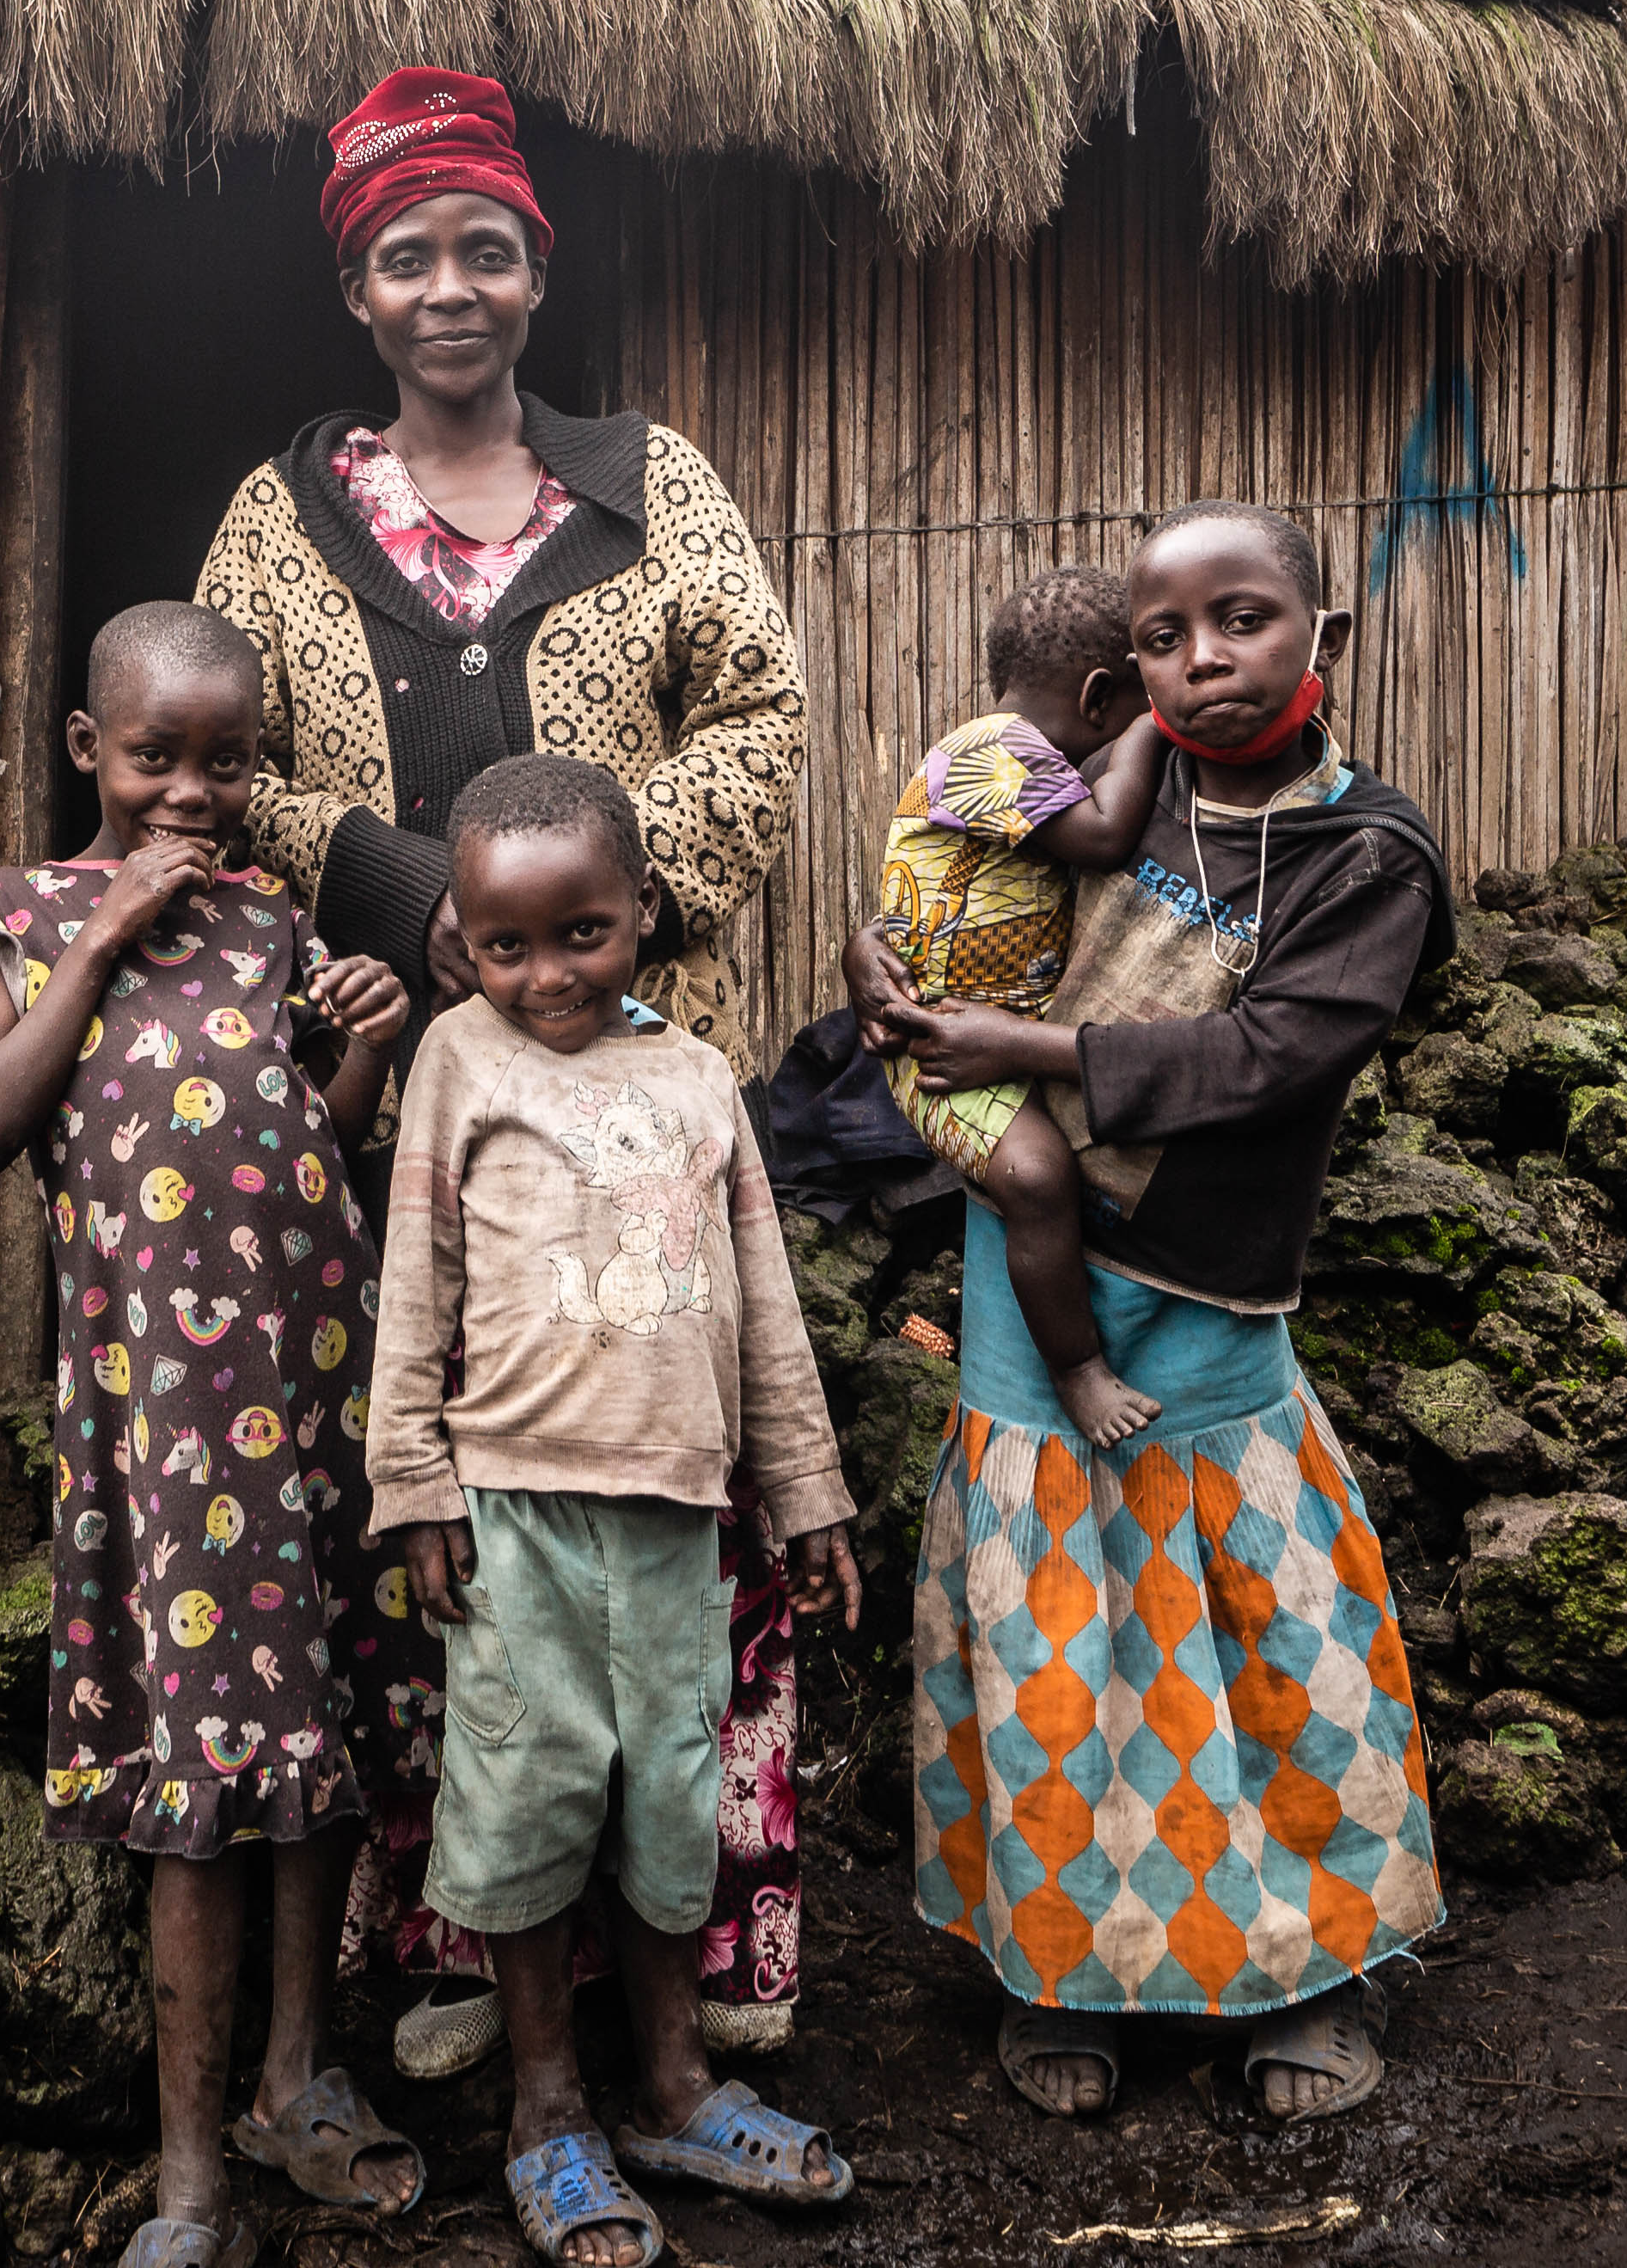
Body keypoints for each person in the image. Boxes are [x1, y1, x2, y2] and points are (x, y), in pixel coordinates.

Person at [191, 64, 818, 2059]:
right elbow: (231, 758)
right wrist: (395, 887)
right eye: (403, 254)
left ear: (531, 271)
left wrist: (580, 889)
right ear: (356, 293)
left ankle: (710, 1954)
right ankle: (473, 1936)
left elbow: (763, 717)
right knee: (456, 1511)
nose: (444, 284)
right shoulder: (279, 514)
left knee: (661, 1493)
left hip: (638, 1089)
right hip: (412, 1099)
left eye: (481, 247)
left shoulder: (646, 480)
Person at [853, 503, 1453, 2127]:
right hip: (1032, 1256)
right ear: (1130, 667)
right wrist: (889, 974)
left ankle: (1307, 1968)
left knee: (1250, 1619)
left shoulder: (1367, 855)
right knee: (1055, 1627)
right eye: (1169, 637)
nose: (1208, 661)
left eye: (1245, 619)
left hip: (1204, 1277)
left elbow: (1275, 1056)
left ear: (1326, 633)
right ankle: (1064, 1964)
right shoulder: (1114, 780)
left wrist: (1028, 1056)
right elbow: (948, 875)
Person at [0, 601, 426, 2268]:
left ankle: (296, 2082)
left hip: (315, 1387)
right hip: (170, 1427)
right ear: (86, 752)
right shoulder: (19, 914)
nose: (194, 791)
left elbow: (316, 1161)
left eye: (227, 761)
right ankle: (190, 2171)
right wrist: (106, 934)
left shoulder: (276, 924)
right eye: (156, 758)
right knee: (204, 1764)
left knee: (315, 1735)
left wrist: (365, 1047)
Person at [367, 757, 861, 2267]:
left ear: (641, 910)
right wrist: (412, 1480)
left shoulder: (701, 1079)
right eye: (505, 943)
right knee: (526, 1803)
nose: (544, 972)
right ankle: (544, 2111)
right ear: (463, 935)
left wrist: (807, 1489)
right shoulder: (457, 1058)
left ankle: (671, 2089)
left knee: (665, 1808)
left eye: (580, 933)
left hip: (676, 1520)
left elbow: (763, 1297)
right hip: (513, 1514)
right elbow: (417, 1279)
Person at [867, 562, 1166, 1449]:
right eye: (1137, 701)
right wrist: (1157, 729)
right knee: (1039, 1182)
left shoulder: (1011, 755)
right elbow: (1108, 836)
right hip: (938, 1046)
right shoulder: (989, 751)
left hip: (991, 1029)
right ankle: (1075, 1368)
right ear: (1101, 692)